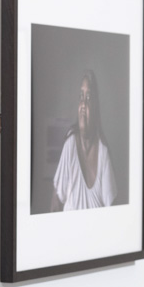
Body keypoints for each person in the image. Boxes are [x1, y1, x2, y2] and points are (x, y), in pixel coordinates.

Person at [49, 69, 117, 211]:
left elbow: (113, 211)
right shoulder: (70, 146)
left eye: (88, 98)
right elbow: (55, 204)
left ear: (96, 106)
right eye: (81, 96)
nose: (83, 105)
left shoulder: (103, 153)